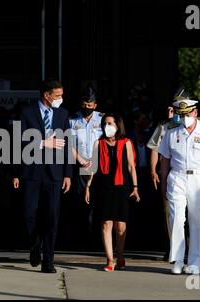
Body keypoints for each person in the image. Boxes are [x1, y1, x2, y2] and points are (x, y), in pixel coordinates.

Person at [158, 98, 200, 275]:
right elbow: (165, 159)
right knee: (176, 219)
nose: (184, 118)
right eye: (181, 115)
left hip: (199, 179)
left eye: (187, 114)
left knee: (196, 221)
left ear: (195, 113)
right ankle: (178, 261)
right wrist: (164, 182)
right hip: (177, 177)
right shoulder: (172, 132)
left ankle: (194, 262)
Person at [13, 80, 72, 273]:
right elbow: (18, 141)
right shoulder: (27, 112)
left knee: (52, 217)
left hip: (55, 173)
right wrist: (42, 143)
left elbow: (67, 144)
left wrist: (68, 174)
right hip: (32, 171)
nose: (60, 99)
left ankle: (48, 260)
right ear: (47, 95)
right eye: (57, 96)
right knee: (29, 213)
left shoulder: (63, 114)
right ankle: (34, 244)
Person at [85, 113, 139, 271]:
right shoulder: (98, 143)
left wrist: (135, 187)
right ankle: (110, 260)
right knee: (105, 224)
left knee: (120, 226)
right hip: (103, 187)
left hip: (121, 187)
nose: (107, 126)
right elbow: (93, 167)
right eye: (105, 124)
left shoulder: (126, 142)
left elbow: (131, 166)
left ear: (117, 126)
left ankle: (120, 254)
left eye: (110, 123)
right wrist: (88, 186)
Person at [146, 88, 187, 259]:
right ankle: (174, 248)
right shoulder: (164, 126)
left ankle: (190, 248)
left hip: (190, 174)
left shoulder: (195, 125)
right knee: (171, 213)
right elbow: (155, 149)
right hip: (169, 174)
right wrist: (153, 170)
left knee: (191, 214)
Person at [69, 86, 102, 248]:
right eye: (84, 105)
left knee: (98, 199)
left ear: (95, 105)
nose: (86, 108)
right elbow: (69, 144)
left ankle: (97, 235)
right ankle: (82, 235)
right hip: (80, 164)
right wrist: (80, 159)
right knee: (81, 200)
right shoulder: (72, 120)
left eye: (90, 105)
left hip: (98, 165)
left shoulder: (102, 119)